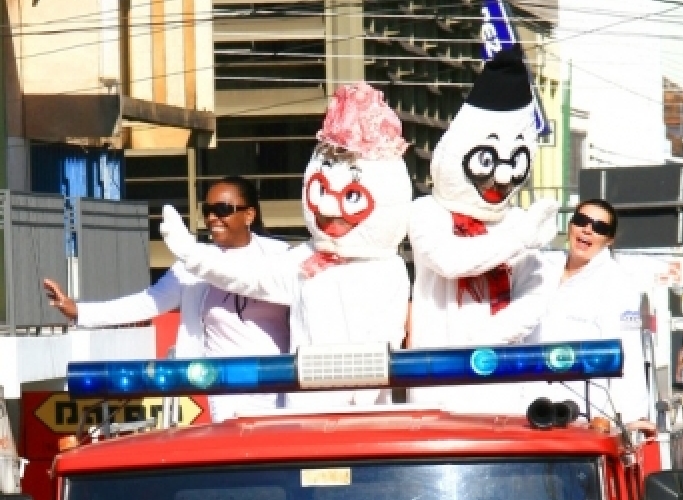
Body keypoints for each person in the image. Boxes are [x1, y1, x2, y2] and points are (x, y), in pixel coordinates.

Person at [159, 82, 412, 409]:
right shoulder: (306, 259)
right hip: (306, 413)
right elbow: (247, 275)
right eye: (322, 191)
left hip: (366, 413)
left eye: (350, 197)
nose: (329, 209)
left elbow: (385, 335)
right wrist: (191, 252)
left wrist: (356, 394)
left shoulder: (387, 270)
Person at [42, 176, 291, 423]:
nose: (213, 217)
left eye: (223, 209)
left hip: (280, 378)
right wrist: (80, 312)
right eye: (208, 210)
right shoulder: (191, 261)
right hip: (225, 385)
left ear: (249, 215)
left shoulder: (280, 255)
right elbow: (149, 302)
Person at [405, 45, 559, 413]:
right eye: (488, 160)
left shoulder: (518, 222)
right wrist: (517, 241)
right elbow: (449, 260)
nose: (502, 176)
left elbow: (534, 296)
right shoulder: (427, 213)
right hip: (437, 382)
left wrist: (486, 338)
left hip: (502, 381)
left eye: (513, 163)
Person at [523, 199, 648, 424]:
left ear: (609, 240)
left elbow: (628, 355)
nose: (588, 230)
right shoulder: (541, 268)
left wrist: (632, 418)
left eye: (599, 228)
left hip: (580, 417)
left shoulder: (619, 285)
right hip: (525, 409)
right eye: (582, 221)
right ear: (570, 225)